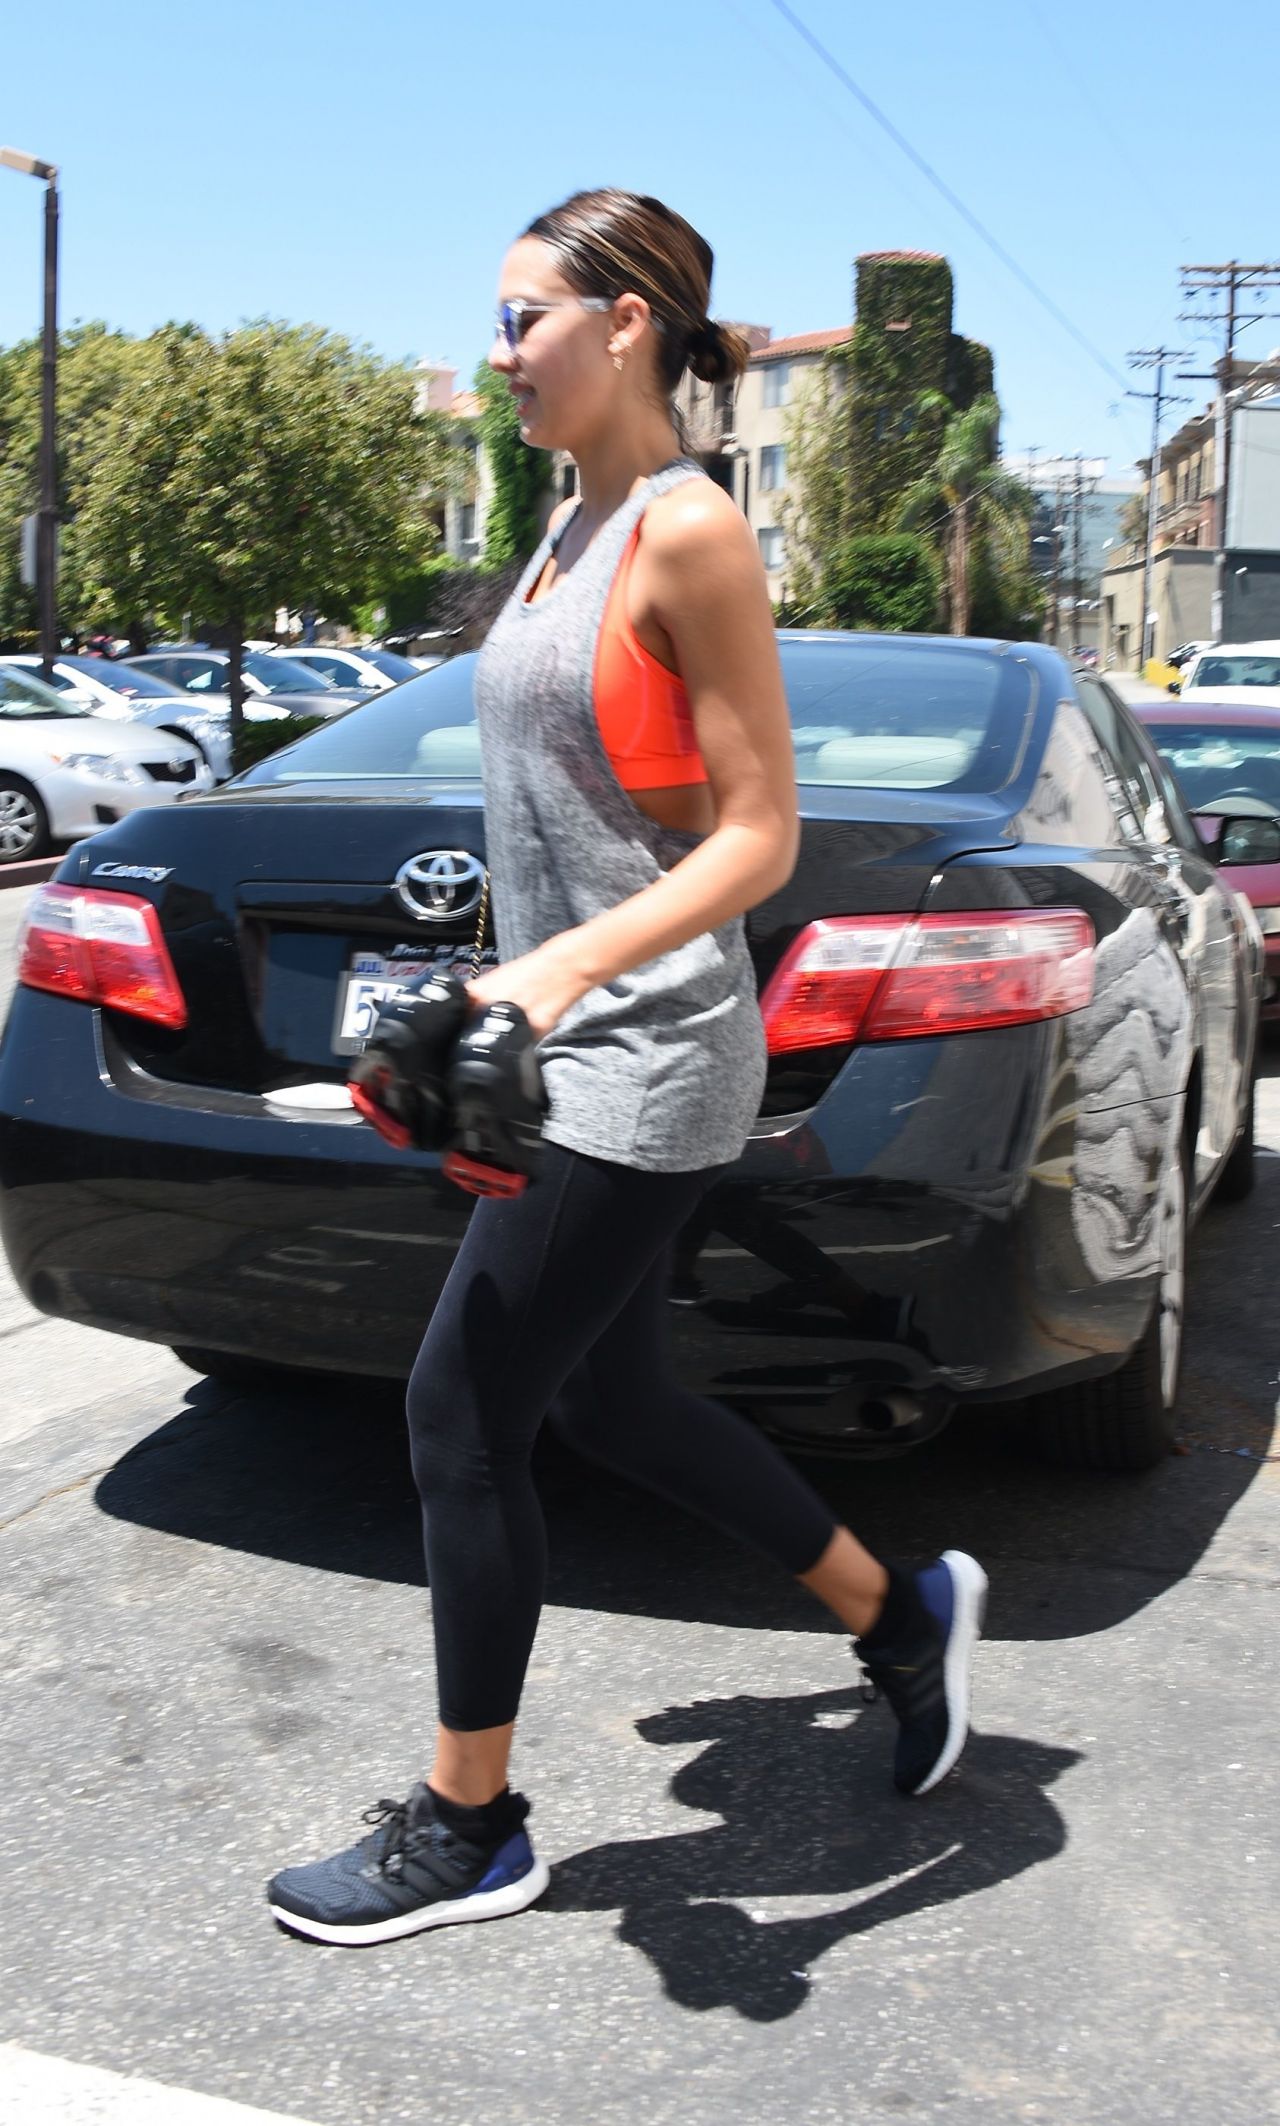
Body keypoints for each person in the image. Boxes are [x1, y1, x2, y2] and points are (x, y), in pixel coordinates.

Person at [267, 190, 987, 1948]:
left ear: (631, 324)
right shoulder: (563, 527)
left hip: (651, 1058)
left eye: (524, 318)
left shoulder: (686, 532)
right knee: (611, 1402)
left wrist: (554, 973)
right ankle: (898, 1617)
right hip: (562, 1038)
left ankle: (469, 1825)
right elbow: (583, 816)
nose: (499, 350)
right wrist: (480, 991)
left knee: (460, 1409)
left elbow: (759, 837)